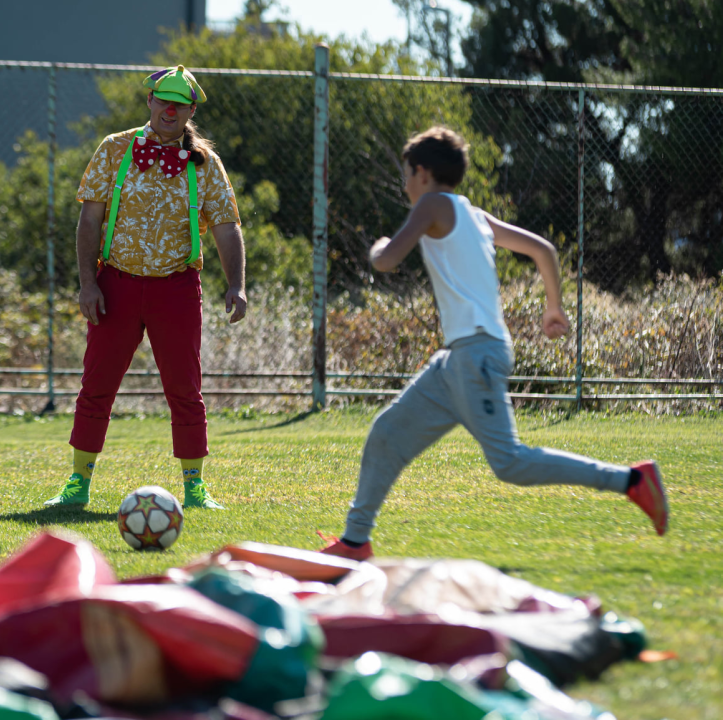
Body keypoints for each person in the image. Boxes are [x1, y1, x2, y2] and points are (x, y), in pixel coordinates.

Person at [319, 126, 669, 561]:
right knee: (387, 432)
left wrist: (378, 247)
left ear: (423, 173)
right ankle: (355, 542)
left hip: (476, 355)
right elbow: (543, 250)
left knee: (510, 462)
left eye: (406, 174)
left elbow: (388, 261)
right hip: (459, 358)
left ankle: (633, 482)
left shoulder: (430, 204)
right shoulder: (476, 215)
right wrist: (553, 308)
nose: (405, 184)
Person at [44, 65, 246, 510]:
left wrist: (237, 284)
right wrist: (87, 284)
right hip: (115, 283)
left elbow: (227, 227)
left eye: (179, 103)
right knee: (97, 384)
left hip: (176, 287)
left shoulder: (205, 163)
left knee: (185, 388)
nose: (169, 109)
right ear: (150, 102)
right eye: (162, 99)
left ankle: (195, 488)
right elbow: (89, 220)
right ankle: (77, 484)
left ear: (191, 109)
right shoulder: (114, 149)